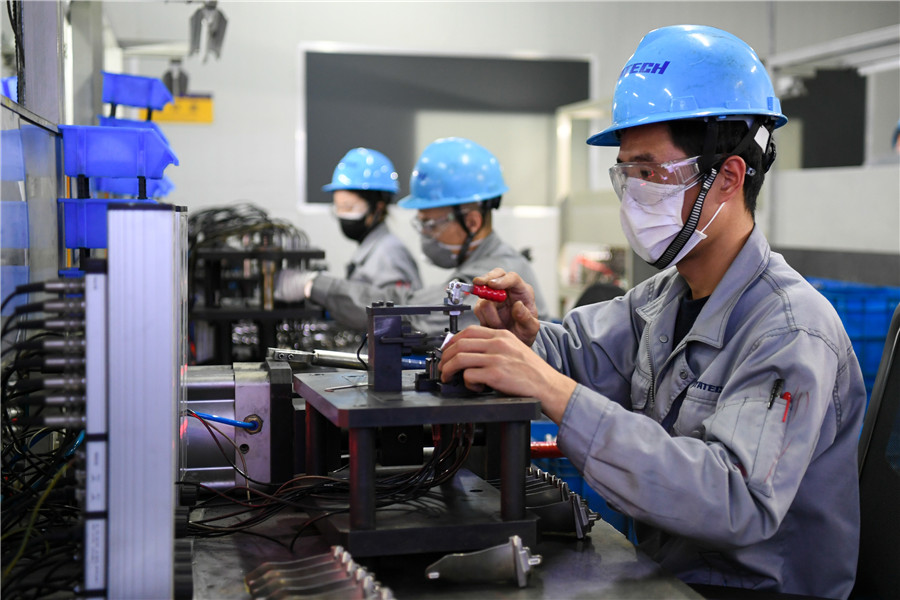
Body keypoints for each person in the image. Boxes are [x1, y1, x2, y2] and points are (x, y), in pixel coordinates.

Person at [439, 25, 865, 599]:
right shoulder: (665, 297)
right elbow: (581, 354)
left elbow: (736, 501)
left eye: (650, 173)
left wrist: (554, 392)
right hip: (673, 573)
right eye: (627, 174)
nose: (634, 194)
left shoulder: (789, 330)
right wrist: (527, 336)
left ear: (728, 177)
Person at [277, 137, 548, 340]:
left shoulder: (494, 276)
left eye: (431, 223)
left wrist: (315, 286)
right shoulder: (476, 266)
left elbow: (411, 312)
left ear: (473, 222)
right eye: (421, 223)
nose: (425, 234)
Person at [319, 147, 422, 290]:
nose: (342, 215)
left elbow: (399, 308)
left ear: (378, 208)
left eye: (348, 207)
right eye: (338, 208)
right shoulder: (373, 250)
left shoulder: (390, 256)